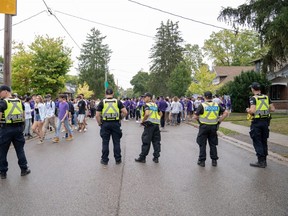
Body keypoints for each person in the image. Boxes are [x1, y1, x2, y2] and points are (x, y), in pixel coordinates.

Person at [0, 85, 31, 179]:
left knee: (2, 151)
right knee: (20, 150)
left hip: (6, 129)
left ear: (5, 91)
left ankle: (3, 172)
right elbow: (23, 116)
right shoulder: (19, 102)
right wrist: (22, 128)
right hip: (18, 129)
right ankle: (24, 169)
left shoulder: (2, 103)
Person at [193, 91, 228, 167]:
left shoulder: (202, 105)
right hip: (213, 127)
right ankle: (214, 161)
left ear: (205, 97)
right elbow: (226, 113)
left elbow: (195, 116)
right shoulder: (217, 105)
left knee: (202, 144)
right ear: (211, 97)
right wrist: (219, 121)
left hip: (204, 127)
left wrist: (199, 121)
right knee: (213, 144)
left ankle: (202, 161)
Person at [246, 82, 275, 168]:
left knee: (257, 141)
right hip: (266, 122)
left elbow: (252, 111)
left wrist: (248, 110)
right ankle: (264, 160)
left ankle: (260, 161)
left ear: (252, 89)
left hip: (257, 122)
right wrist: (264, 112)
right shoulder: (266, 97)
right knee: (264, 140)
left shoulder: (253, 98)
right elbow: (273, 109)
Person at [96, 89, 127, 165]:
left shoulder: (102, 102)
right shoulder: (117, 102)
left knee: (105, 142)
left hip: (105, 124)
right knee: (116, 142)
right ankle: (118, 159)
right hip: (115, 124)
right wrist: (120, 118)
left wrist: (100, 123)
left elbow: (97, 115)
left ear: (105, 94)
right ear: (113, 94)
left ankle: (104, 160)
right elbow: (125, 112)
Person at [135, 92, 162, 163]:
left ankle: (142, 158)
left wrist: (142, 121)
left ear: (149, 98)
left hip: (149, 125)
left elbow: (146, 114)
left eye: (145, 97)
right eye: (143, 97)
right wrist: (157, 119)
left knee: (146, 141)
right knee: (156, 142)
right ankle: (156, 158)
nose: (143, 98)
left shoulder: (146, 105)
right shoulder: (155, 105)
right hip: (156, 125)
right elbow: (160, 113)